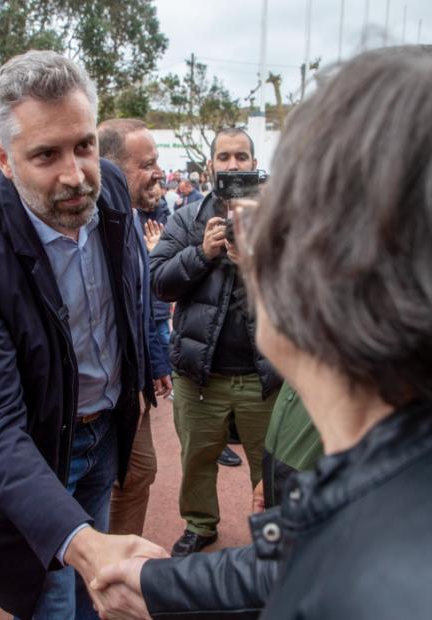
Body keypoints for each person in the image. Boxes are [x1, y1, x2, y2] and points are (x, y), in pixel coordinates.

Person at [90, 46, 432, 620]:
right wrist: (160, 586)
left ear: (331, 272)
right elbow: (309, 553)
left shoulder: (375, 591)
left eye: (273, 218)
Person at [0, 50, 168, 619]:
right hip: (36, 455)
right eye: (45, 154)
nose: (75, 175)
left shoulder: (110, 186)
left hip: (107, 430)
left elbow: (132, 298)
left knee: (96, 602)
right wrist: (82, 545)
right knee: (54, 602)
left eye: (83, 145)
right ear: (3, 159)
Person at [149, 127, 282, 557]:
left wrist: (258, 265)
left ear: (254, 162)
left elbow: (303, 287)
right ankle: (200, 524)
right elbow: (157, 282)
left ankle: (271, 531)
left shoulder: (280, 218)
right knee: (197, 458)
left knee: (270, 466)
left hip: (263, 375)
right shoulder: (188, 217)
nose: (232, 165)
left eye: (240, 156)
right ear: (210, 165)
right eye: (223, 157)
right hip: (199, 374)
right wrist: (201, 254)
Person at [97, 118, 174, 537]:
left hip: (133, 385)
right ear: (109, 167)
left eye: (157, 161)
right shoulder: (88, 229)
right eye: (147, 164)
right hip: (99, 394)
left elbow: (141, 307)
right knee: (100, 485)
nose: (158, 173)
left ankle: (118, 565)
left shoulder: (129, 219)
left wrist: (155, 362)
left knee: (139, 472)